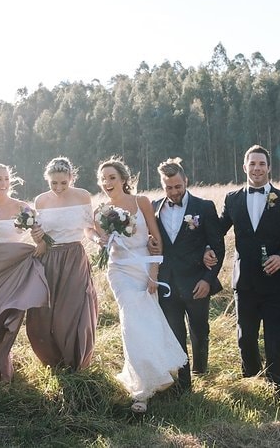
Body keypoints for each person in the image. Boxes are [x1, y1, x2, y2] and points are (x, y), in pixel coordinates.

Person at [97, 158, 187, 413]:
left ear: (123, 179)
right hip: (119, 270)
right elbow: (98, 238)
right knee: (130, 321)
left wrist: (153, 274)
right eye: (103, 179)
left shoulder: (142, 202)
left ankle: (156, 373)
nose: (107, 183)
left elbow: (156, 241)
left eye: (112, 177)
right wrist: (99, 238)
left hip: (144, 268)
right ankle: (140, 392)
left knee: (147, 321)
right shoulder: (102, 210)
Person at [218, 144, 280, 393]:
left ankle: (277, 386)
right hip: (244, 282)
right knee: (245, 337)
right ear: (244, 167)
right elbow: (218, 230)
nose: (257, 168)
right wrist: (205, 247)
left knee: (275, 338)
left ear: (269, 168)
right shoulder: (232, 199)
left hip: (275, 281)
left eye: (262, 164)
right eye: (252, 164)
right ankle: (252, 384)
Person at [150, 158, 223, 393]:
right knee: (175, 333)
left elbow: (217, 247)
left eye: (178, 187)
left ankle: (200, 370)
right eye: (168, 188)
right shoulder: (153, 208)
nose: (174, 192)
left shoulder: (204, 207)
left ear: (186, 181)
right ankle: (184, 385)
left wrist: (207, 280)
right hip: (167, 284)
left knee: (199, 329)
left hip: (196, 282)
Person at [0, 163, 48, 386]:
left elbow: (41, 242)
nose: (3, 183)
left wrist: (39, 237)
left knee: (10, 318)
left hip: (15, 266)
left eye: (6, 178)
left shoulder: (22, 207)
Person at [24, 156, 99, 371]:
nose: (58, 187)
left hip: (74, 256)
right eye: (53, 183)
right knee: (47, 311)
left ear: (71, 178)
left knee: (74, 308)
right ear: (47, 180)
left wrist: (96, 239)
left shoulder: (83, 195)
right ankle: (53, 360)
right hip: (49, 258)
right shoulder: (41, 200)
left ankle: (76, 359)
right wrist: (37, 236)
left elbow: (89, 228)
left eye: (63, 183)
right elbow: (39, 235)